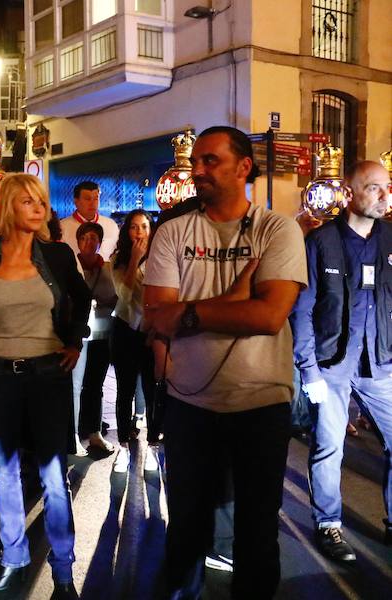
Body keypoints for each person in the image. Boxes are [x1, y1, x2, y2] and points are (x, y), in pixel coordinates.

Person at [144, 126, 307, 599]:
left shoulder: (278, 229)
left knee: (257, 531)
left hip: (261, 404)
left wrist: (190, 311)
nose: (197, 171)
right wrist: (236, 297)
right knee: (187, 524)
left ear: (243, 168)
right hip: (189, 403)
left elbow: (270, 315)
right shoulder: (173, 232)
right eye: (196, 161)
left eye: (210, 161)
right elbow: (157, 316)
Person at [0, 173, 91, 599]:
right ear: (9, 206)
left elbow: (82, 299)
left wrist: (74, 341)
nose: (38, 208)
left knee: (52, 475)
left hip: (48, 373)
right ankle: (13, 559)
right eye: (28, 201)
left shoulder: (58, 255)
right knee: (5, 475)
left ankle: (63, 571)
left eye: (41, 201)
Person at [289, 160, 392, 559]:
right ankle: (329, 525)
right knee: (329, 447)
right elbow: (303, 310)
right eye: (375, 189)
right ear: (349, 194)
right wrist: (308, 370)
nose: (385, 197)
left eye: (387, 188)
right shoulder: (321, 242)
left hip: (380, 364)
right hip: (332, 365)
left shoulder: (390, 239)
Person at [110, 209, 158, 473]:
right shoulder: (118, 259)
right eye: (134, 227)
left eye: (144, 226)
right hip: (126, 328)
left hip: (152, 330)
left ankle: (151, 444)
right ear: (127, 231)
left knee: (152, 389)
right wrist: (134, 260)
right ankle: (123, 446)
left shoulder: (162, 257)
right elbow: (124, 295)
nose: (139, 232)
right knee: (124, 389)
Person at [75, 222, 118, 453]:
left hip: (101, 333)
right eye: (85, 238)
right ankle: (74, 430)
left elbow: (116, 296)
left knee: (95, 384)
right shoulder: (72, 267)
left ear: (100, 242)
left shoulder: (108, 269)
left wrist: (104, 302)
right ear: (78, 241)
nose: (89, 242)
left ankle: (94, 432)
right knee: (74, 385)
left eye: (94, 238)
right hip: (78, 335)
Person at [59, 181, 119, 261]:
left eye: (96, 198)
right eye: (87, 199)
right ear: (76, 202)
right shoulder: (62, 227)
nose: (92, 203)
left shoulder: (111, 225)